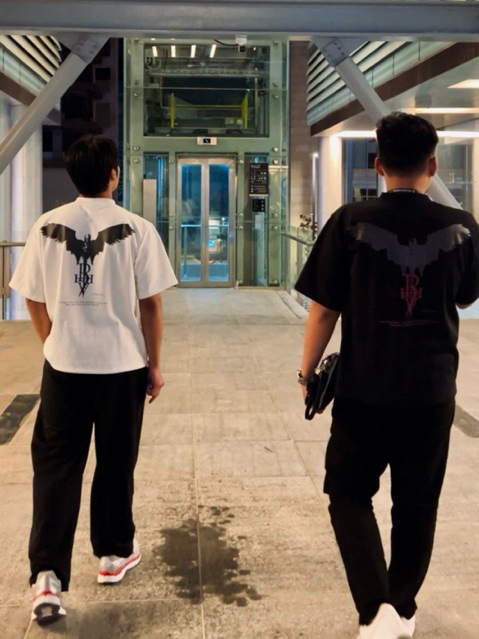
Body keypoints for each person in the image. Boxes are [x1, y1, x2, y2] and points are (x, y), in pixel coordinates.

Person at [295, 112, 479, 639]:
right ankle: (401, 606)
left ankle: (377, 611)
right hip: (432, 392)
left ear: (378, 164)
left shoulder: (350, 221)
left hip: (365, 390)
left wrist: (307, 372)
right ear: (432, 165)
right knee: (417, 505)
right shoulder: (462, 227)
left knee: (347, 492)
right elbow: (465, 297)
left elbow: (324, 309)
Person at [9, 134, 178, 624]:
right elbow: (151, 304)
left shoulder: (46, 226)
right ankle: (112, 553)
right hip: (122, 365)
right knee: (116, 460)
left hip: (64, 366)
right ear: (114, 175)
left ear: (72, 175)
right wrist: (154, 364)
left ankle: (47, 576)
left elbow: (32, 297)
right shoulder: (137, 228)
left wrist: (52, 340)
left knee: (56, 466)